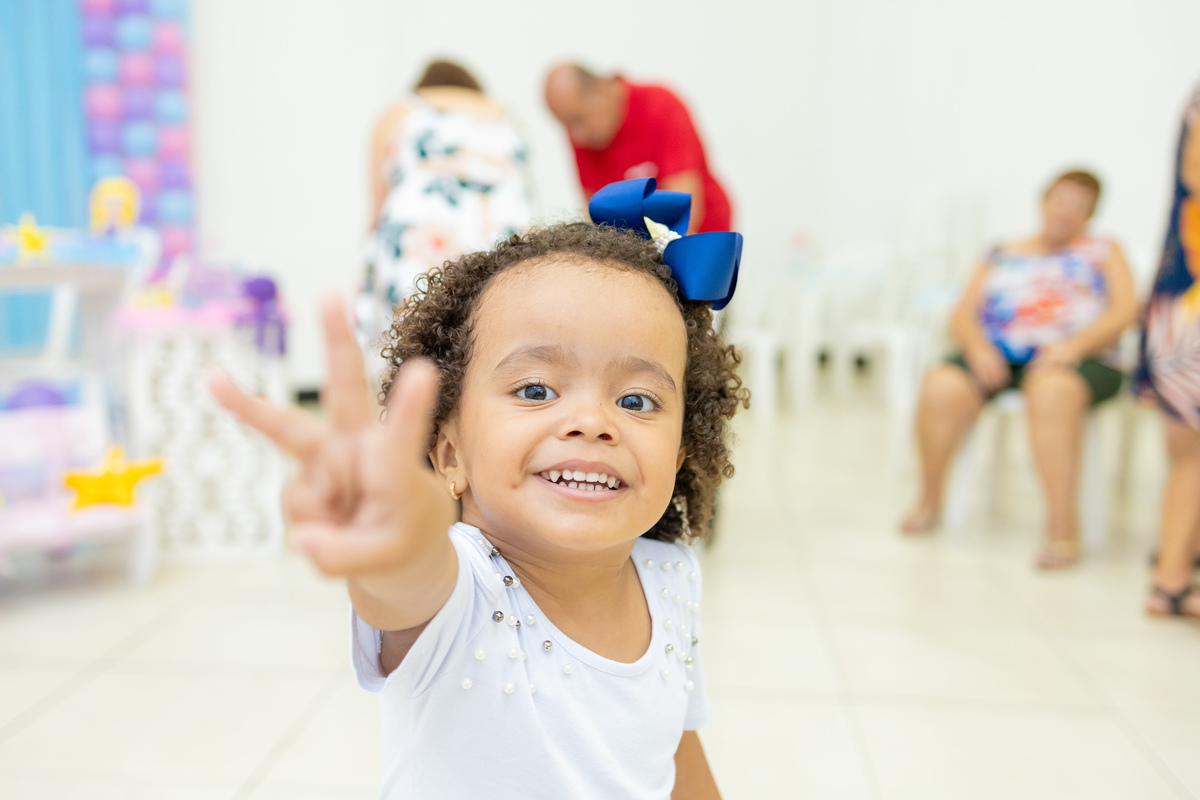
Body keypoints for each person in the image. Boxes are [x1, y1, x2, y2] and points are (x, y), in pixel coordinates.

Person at [209, 180, 748, 797]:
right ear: (449, 453)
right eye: (536, 390)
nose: (592, 421)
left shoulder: (671, 579)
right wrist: (397, 527)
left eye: (636, 400)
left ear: (680, 454)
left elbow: (676, 752)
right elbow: (406, 579)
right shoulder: (462, 595)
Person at [900, 170, 1138, 569]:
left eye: (1079, 206)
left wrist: (1073, 346)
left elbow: (1126, 311)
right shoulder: (1000, 250)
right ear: (1043, 201)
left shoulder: (1104, 250)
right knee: (941, 385)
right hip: (998, 353)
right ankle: (927, 500)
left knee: (1051, 390)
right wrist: (978, 348)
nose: (1065, 211)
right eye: (1060, 200)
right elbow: (962, 314)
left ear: (1092, 214)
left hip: (1078, 358)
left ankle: (1062, 526)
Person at [358, 60, 532, 352]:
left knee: (410, 347)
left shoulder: (400, 111)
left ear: (422, 88)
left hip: (420, 236)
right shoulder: (506, 117)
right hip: (501, 239)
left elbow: (378, 206)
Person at [1135, 82, 1200, 620]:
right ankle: (1173, 574)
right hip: (1188, 302)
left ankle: (1176, 563)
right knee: (1189, 451)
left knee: (1187, 452)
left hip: (1181, 297)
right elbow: (1193, 177)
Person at [544, 64, 731, 234]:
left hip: (703, 235)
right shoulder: (581, 134)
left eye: (577, 120)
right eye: (566, 125)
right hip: (640, 246)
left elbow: (684, 212)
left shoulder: (659, 105)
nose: (576, 136)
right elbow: (594, 215)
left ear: (598, 91)